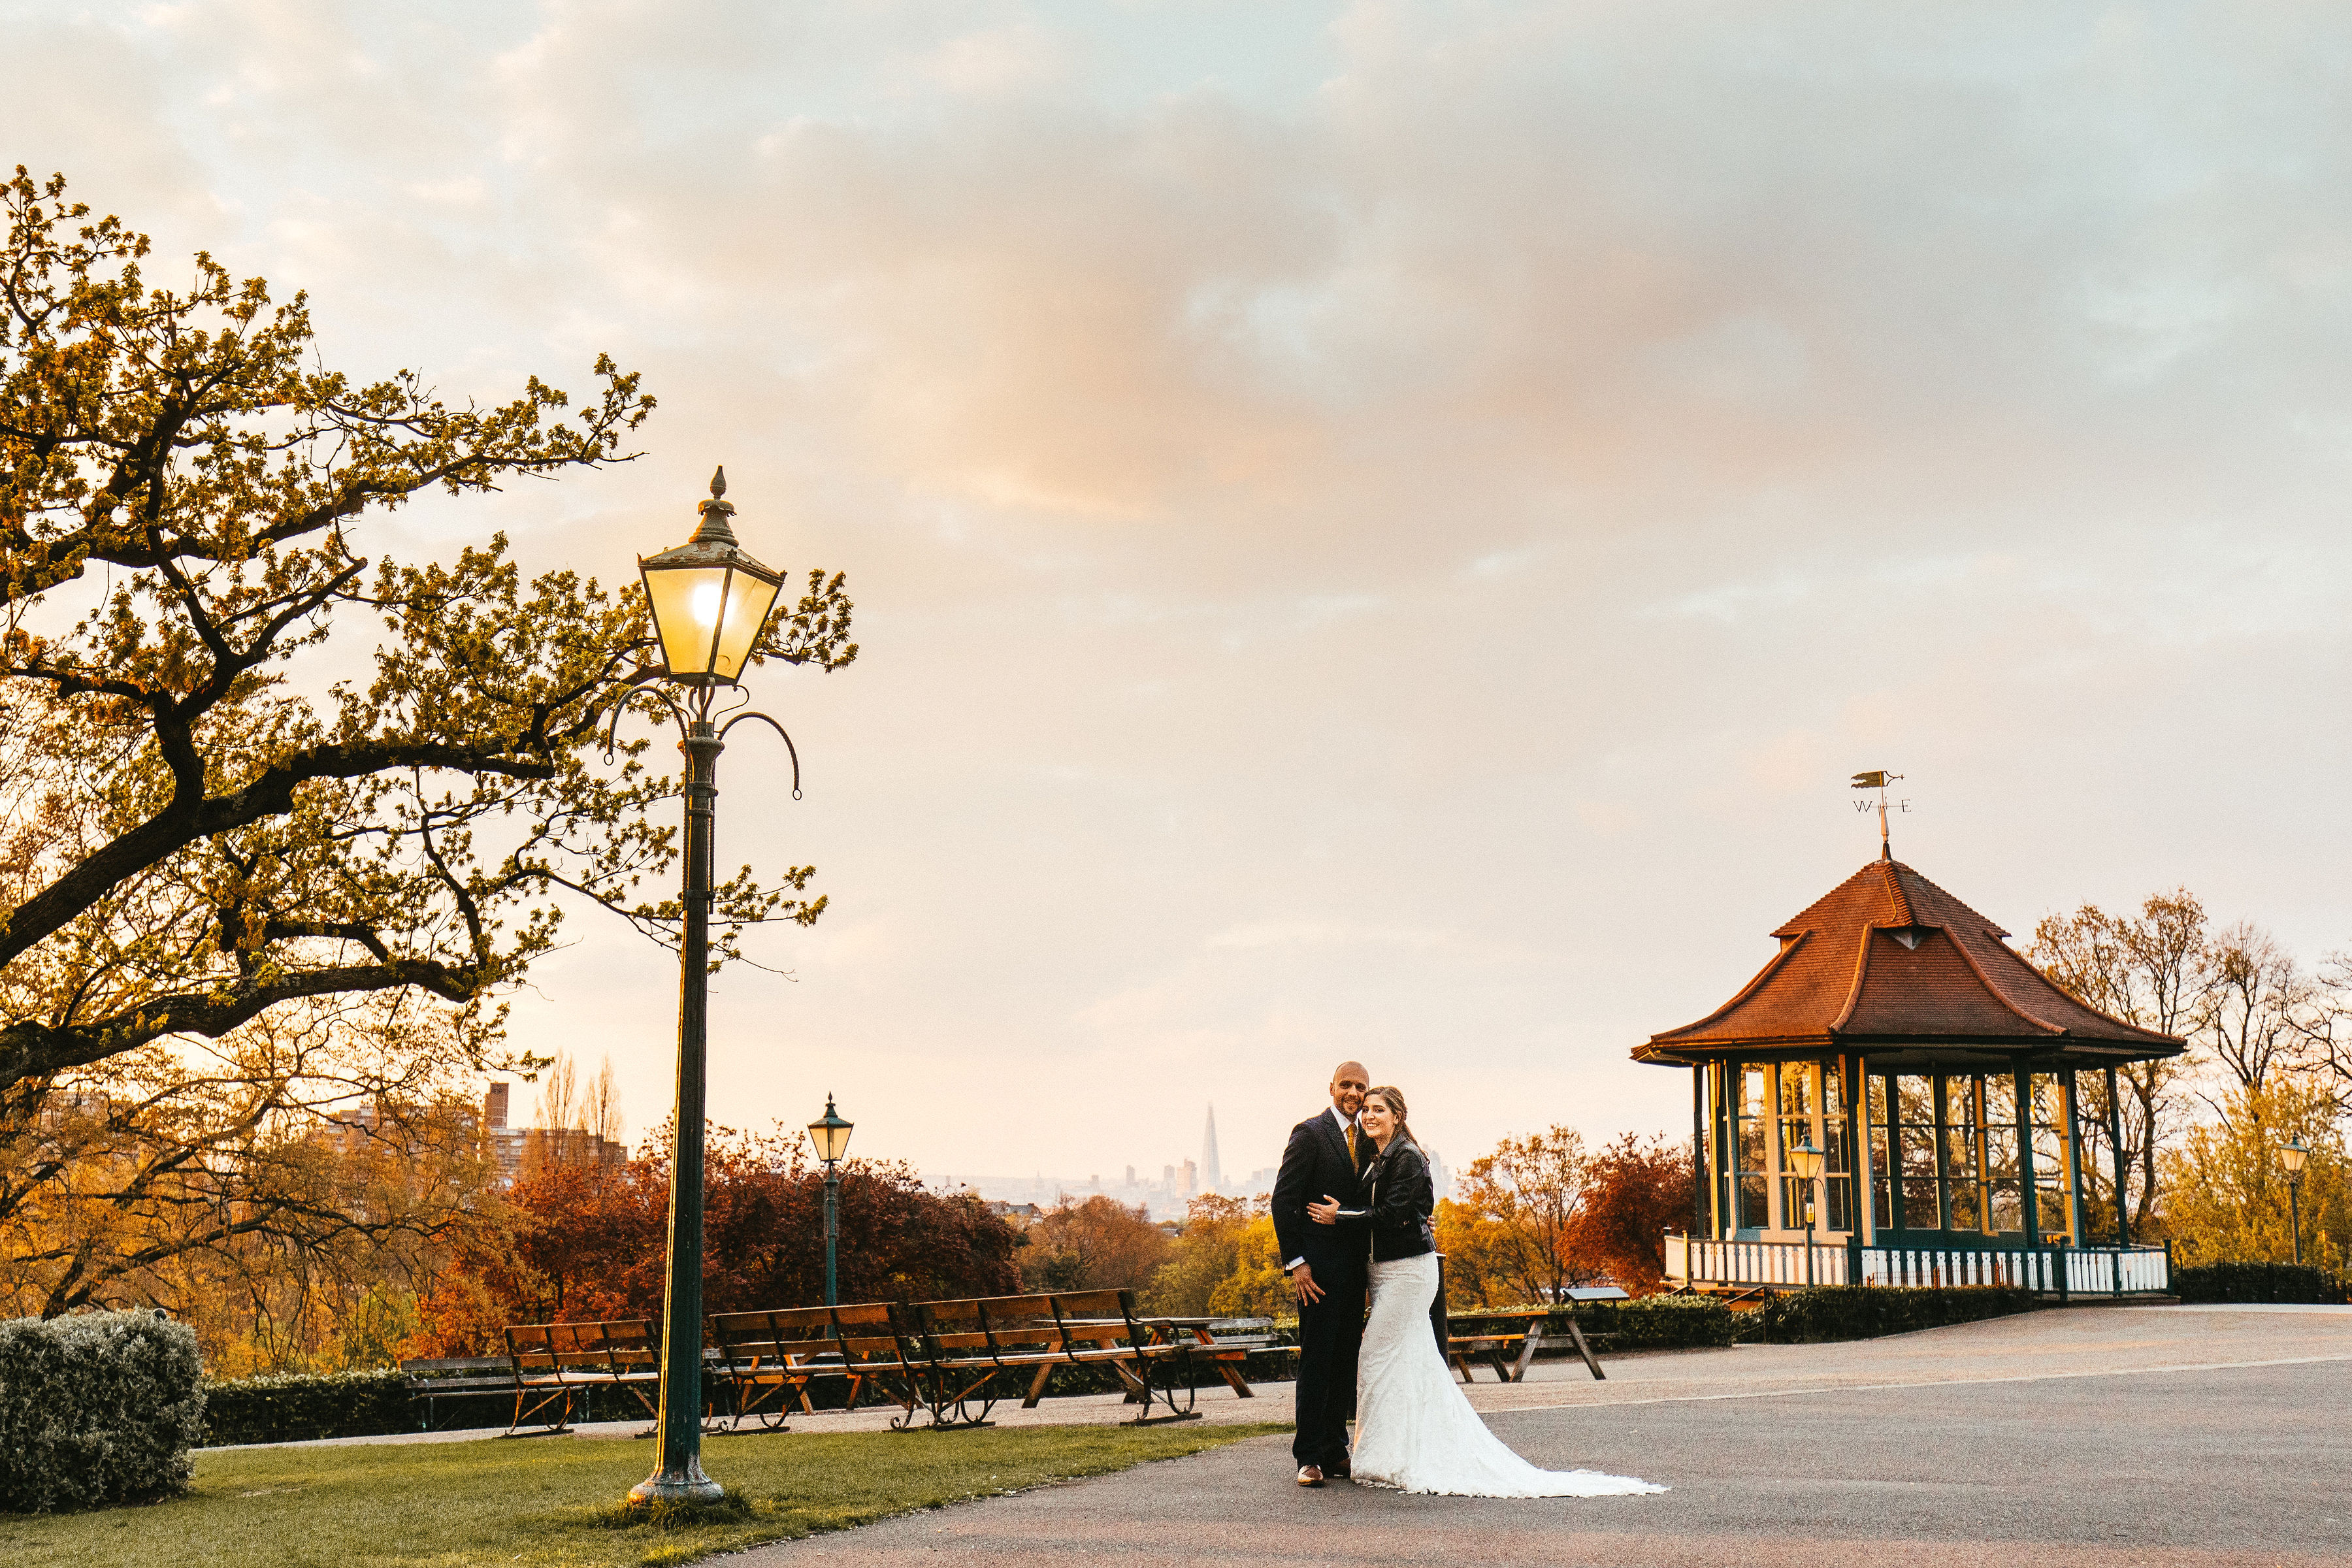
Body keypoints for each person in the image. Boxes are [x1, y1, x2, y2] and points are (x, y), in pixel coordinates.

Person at [1307, 1086, 1664, 1498]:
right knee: (1410, 1362)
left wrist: (1342, 1217)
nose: (1369, 1116)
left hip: (1408, 1272)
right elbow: (1413, 1209)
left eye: (1379, 1110)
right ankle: (1395, 1450)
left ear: (1398, 1115)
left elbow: (1394, 1215)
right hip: (1385, 1273)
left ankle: (1387, 1454)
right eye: (1366, 1110)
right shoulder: (1376, 1155)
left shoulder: (1406, 1156)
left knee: (1374, 1356)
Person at [1269, 1060, 1373, 1487]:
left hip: (1354, 1273)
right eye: (1345, 1085)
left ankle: (1336, 1450)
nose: (1352, 1092)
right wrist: (1296, 1263)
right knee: (1316, 1361)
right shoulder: (1309, 1134)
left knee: (1344, 1360)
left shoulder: (1370, 1139)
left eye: (1360, 1087)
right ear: (1331, 1087)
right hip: (1315, 1274)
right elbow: (1283, 1200)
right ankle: (1308, 1456)